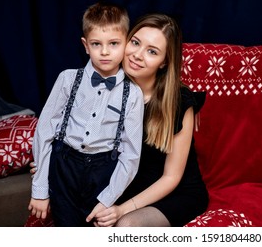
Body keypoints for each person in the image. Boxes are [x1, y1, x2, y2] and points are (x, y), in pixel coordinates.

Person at [85, 13, 209, 227]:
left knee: (126, 226)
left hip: (173, 192)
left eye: (152, 51)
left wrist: (121, 210)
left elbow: (171, 178)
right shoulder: (106, 89)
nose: (137, 55)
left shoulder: (178, 102)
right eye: (135, 42)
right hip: (127, 187)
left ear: (164, 62)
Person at [28, 2, 144, 227]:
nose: (105, 51)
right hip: (64, 169)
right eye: (96, 44)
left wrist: (108, 199)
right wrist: (40, 190)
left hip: (103, 175)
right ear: (85, 45)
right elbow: (44, 132)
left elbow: (131, 154)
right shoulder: (68, 79)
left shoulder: (133, 94)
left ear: (126, 44)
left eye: (113, 43)